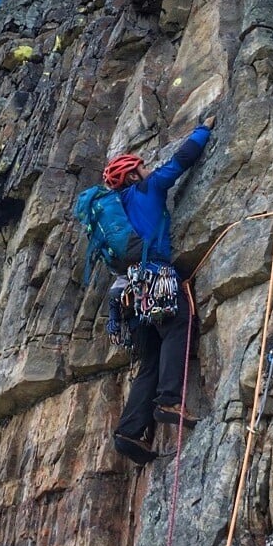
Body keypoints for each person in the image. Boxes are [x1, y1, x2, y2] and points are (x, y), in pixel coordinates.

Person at [105, 117, 216, 465]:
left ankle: (128, 431)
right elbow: (180, 161)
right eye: (141, 167)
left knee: (150, 359)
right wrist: (204, 129)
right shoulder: (147, 189)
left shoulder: (114, 213)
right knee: (177, 326)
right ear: (134, 175)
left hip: (128, 294)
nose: (147, 168)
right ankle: (170, 401)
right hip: (156, 277)